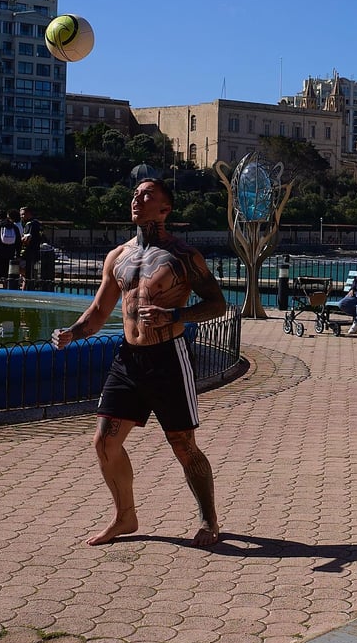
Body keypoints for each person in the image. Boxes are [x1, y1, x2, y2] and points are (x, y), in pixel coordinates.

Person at [51, 178, 227, 548]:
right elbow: (99, 311)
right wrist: (72, 333)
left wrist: (176, 315)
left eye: (147, 195)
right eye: (135, 193)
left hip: (168, 359)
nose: (137, 199)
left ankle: (209, 519)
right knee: (104, 442)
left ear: (165, 209)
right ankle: (125, 517)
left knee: (183, 446)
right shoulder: (118, 256)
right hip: (128, 359)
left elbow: (217, 304)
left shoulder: (183, 256)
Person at [19, 205, 43, 290]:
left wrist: (19, 240)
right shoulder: (37, 223)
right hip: (35, 251)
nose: (22, 216)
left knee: (24, 272)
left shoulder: (30, 224)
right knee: (28, 274)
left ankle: (25, 290)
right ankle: (26, 288)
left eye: (23, 214)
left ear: (29, 213)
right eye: (21, 215)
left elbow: (27, 239)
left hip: (28, 252)